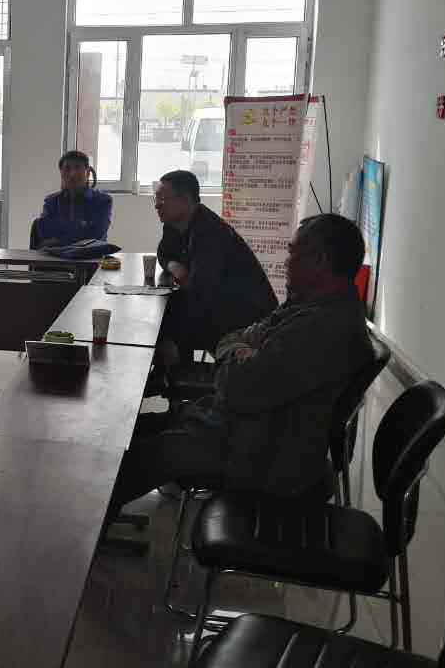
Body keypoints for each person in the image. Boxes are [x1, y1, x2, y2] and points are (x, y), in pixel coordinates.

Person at [107, 214, 377, 519]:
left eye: (293, 252)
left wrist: (241, 352)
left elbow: (234, 385)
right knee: (126, 430)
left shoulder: (325, 327)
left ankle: (82, 532)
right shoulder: (310, 304)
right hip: (242, 427)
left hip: (259, 453)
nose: (287, 261)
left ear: (320, 261)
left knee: (126, 460)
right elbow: (235, 339)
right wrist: (242, 351)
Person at [153, 169, 277, 366]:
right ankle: (174, 372)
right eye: (155, 199)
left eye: (162, 199)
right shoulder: (174, 224)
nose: (156, 205)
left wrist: (186, 280)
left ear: (185, 200)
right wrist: (174, 266)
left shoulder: (210, 233)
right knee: (165, 318)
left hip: (245, 319)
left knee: (163, 326)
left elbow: (199, 292)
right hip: (216, 307)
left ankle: (179, 375)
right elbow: (163, 253)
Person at [32, 150, 112, 249]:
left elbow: (95, 235)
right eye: (67, 169)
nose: (72, 174)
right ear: (61, 174)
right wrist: (81, 226)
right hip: (54, 256)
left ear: (88, 173)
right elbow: (45, 232)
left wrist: (59, 235)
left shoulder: (103, 201)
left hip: (90, 256)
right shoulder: (51, 201)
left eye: (77, 168)